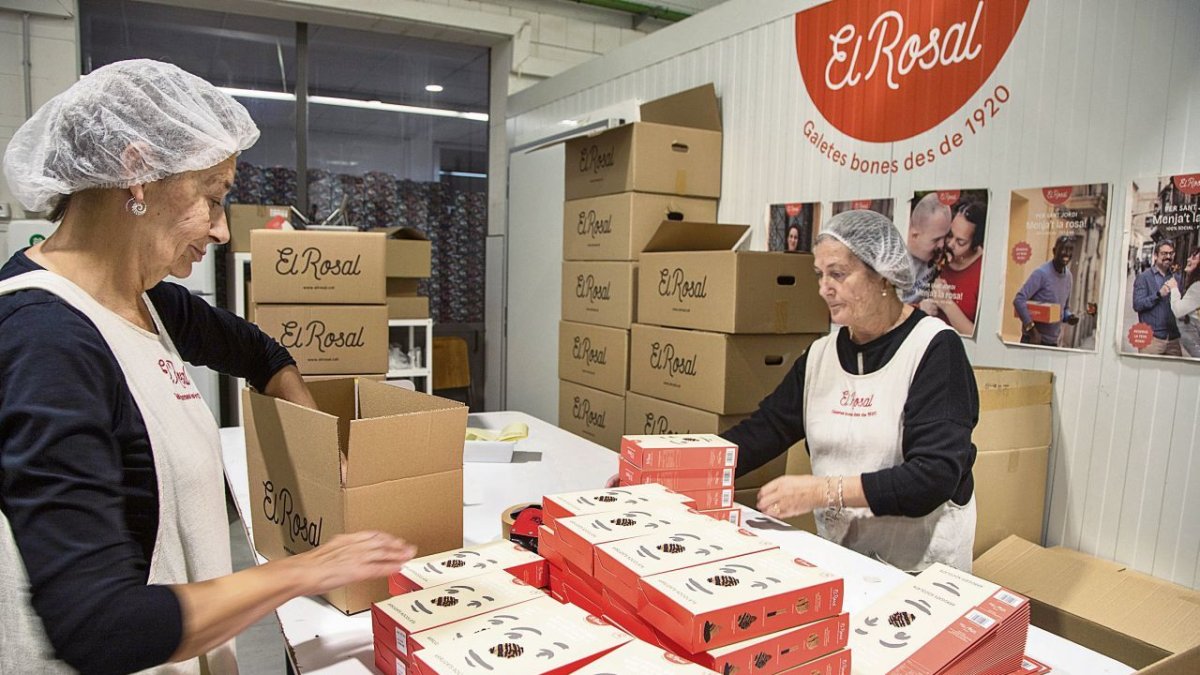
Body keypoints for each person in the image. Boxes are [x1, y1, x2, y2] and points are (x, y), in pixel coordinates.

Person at [0, 60, 416, 674]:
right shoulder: (45, 340)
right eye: (213, 197)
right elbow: (99, 625)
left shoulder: (150, 302)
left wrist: (324, 458)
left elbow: (265, 356)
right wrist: (306, 570)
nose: (222, 230)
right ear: (137, 174)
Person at [721, 210, 979, 573]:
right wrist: (676, 467)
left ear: (883, 275)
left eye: (838, 274)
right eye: (820, 274)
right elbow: (763, 431)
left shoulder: (934, 349)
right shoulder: (820, 356)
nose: (824, 288)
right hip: (843, 559)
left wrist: (822, 491)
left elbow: (932, 477)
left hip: (920, 570)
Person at [921, 197, 986, 337]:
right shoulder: (935, 253)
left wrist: (947, 304)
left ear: (976, 243)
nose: (950, 244)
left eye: (960, 242)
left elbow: (982, 338)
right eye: (949, 235)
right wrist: (921, 308)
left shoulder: (984, 270)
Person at [1013, 235, 1080, 347]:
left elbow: (1064, 309)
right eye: (1063, 249)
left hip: (1052, 343)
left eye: (1070, 250)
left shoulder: (1069, 277)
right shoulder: (1041, 274)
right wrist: (1032, 330)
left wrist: (1069, 317)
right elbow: (1019, 300)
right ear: (1054, 251)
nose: (1067, 254)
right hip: (1033, 340)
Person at [1132, 240, 1184, 356]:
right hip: (1152, 340)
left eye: (1171, 253)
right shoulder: (1144, 277)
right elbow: (1137, 305)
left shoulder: (1177, 278)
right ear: (1155, 256)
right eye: (1164, 253)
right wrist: (1158, 294)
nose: (1168, 257)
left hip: (1173, 340)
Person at [902, 192, 952, 304]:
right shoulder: (892, 261)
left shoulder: (939, 254)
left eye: (945, 237)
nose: (942, 245)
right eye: (936, 240)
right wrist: (918, 307)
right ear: (915, 235)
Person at [1165, 248, 1200, 357]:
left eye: (1194, 257)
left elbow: (1177, 310)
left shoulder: (1198, 287)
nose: (1188, 259)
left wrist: (1174, 288)